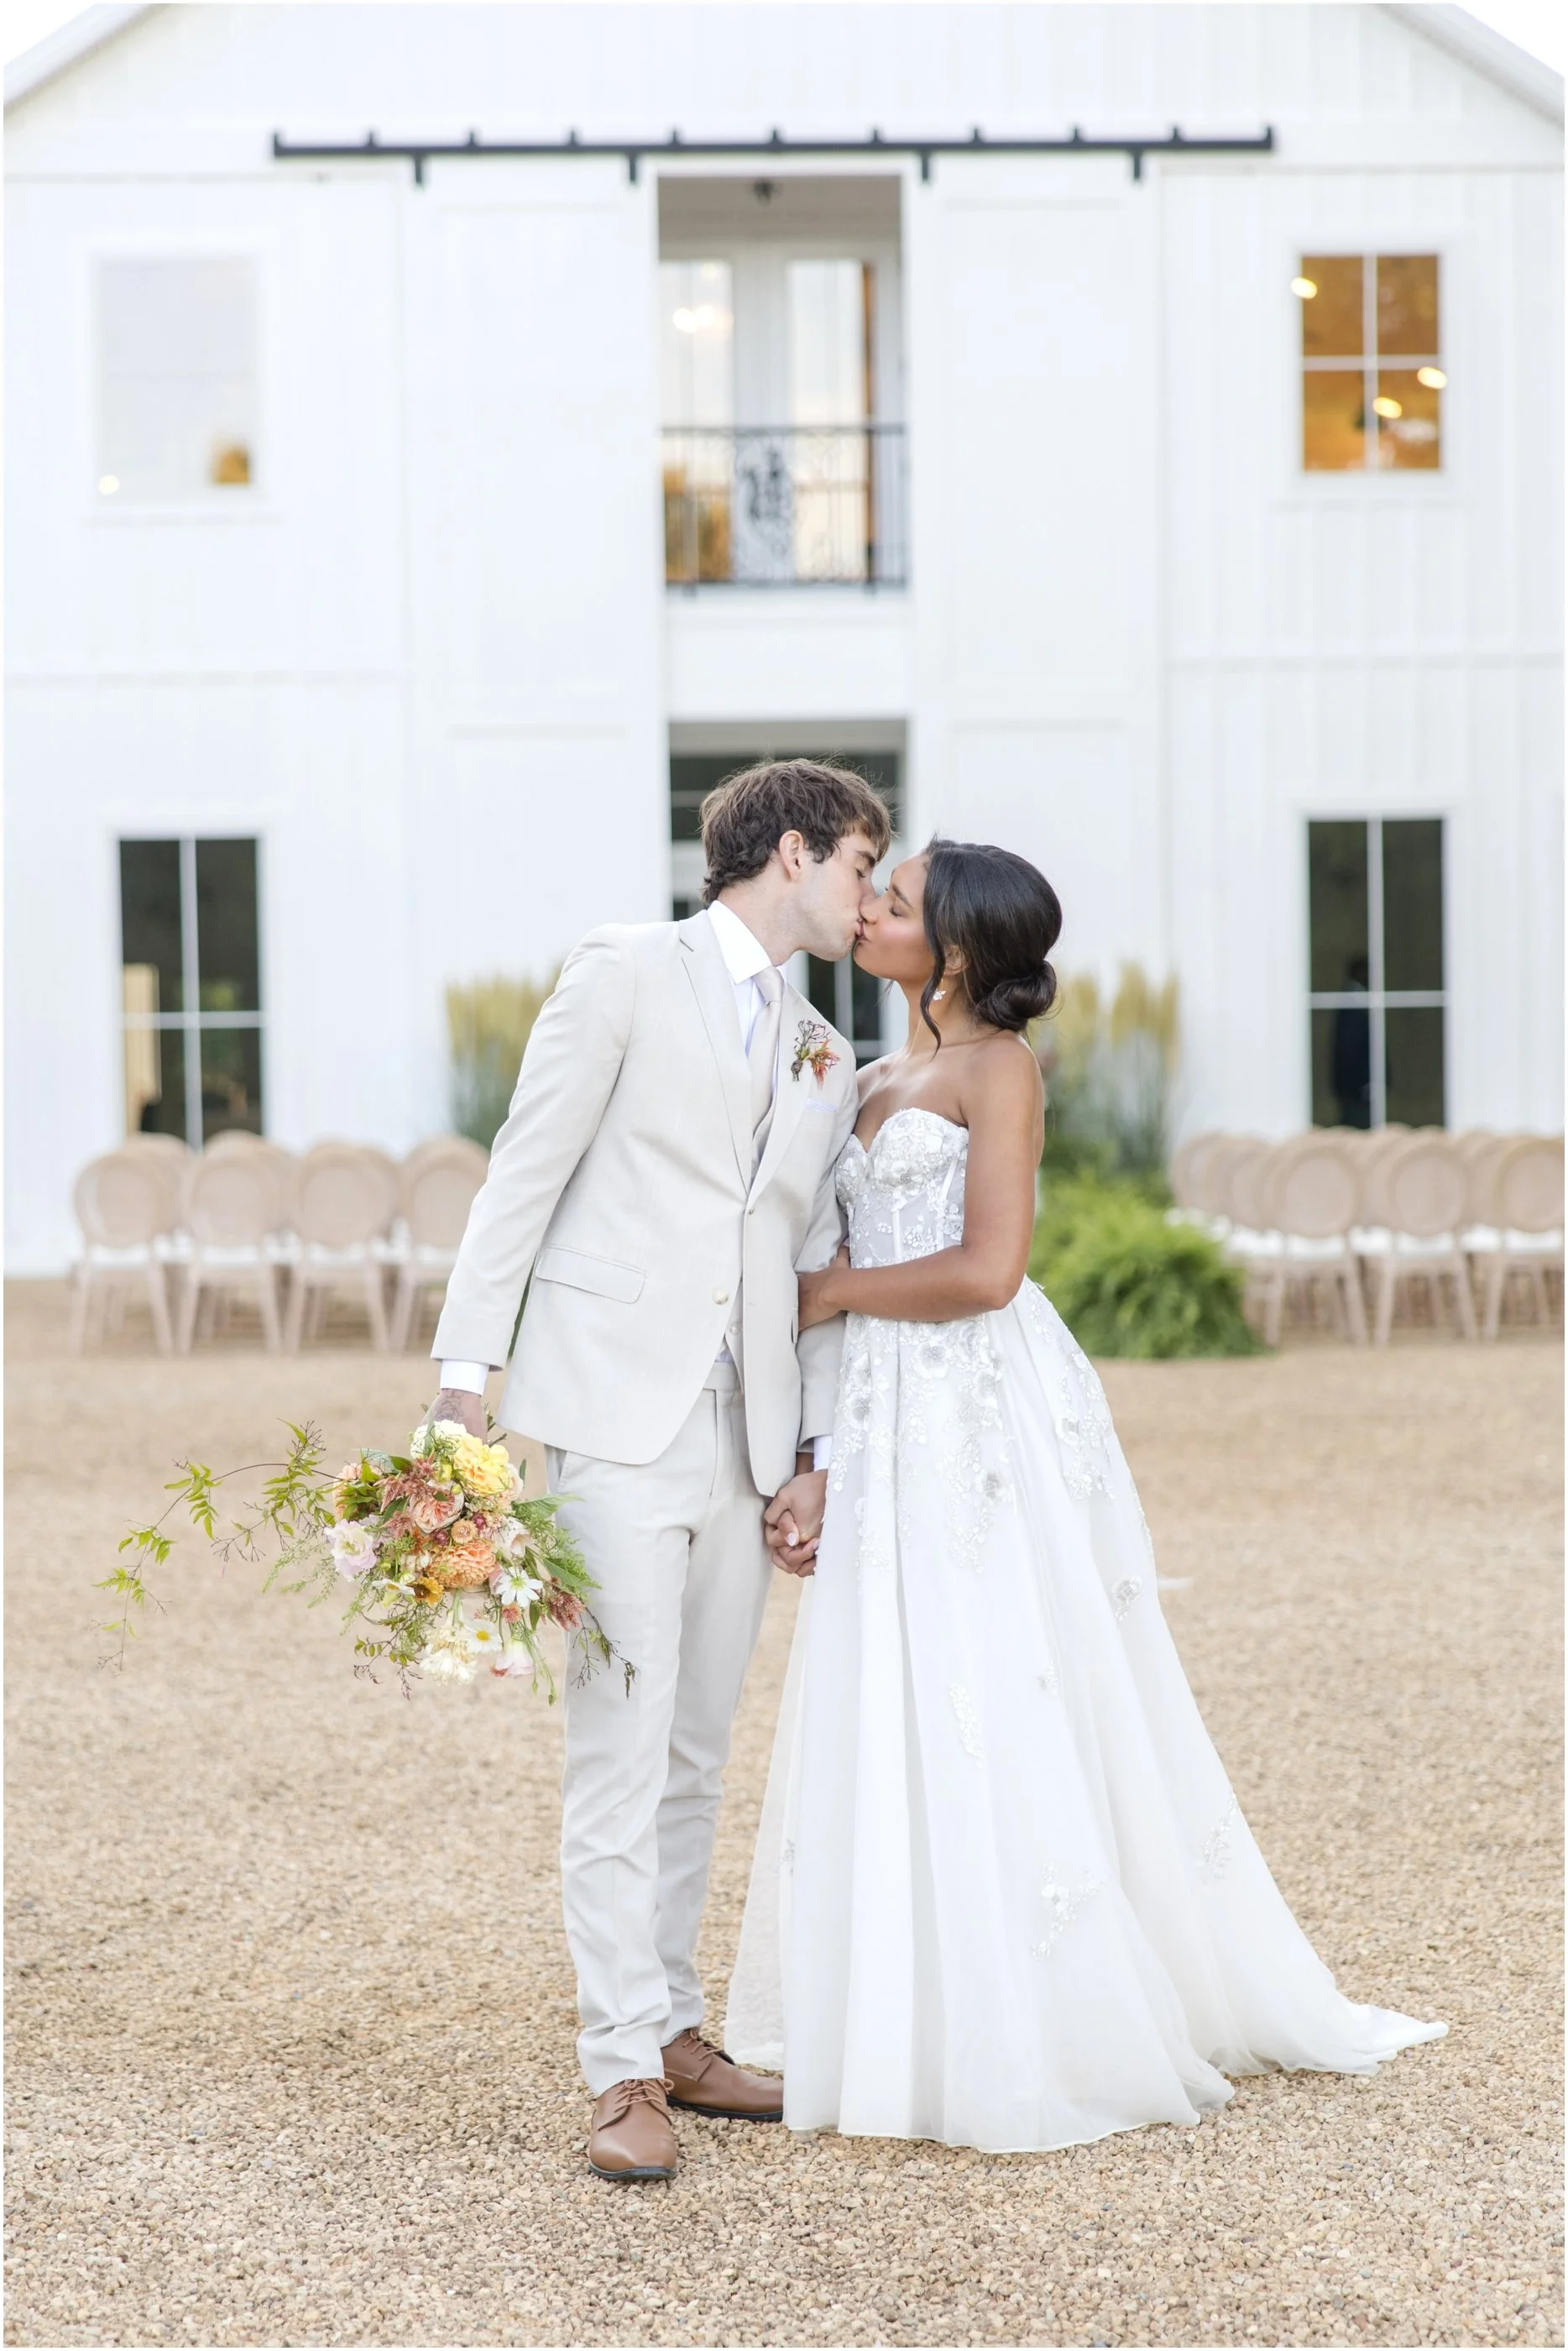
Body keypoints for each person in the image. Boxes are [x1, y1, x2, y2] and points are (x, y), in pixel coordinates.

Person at [726, 838, 1445, 2154]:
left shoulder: (998, 1071)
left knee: (996, 1678)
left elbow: (991, 1267)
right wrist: (816, 1458)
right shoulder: (868, 1072)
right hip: (883, 1412)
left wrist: (825, 1291)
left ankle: (1034, 2019)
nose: (871, 906)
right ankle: (909, 2009)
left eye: (897, 897)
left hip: (975, 1409)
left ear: (951, 950)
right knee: (895, 1685)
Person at [430, 759, 890, 2181]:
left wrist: (806, 1450)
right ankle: (620, 2065)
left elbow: (811, 1256)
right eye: (862, 868)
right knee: (615, 1758)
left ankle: (682, 2031)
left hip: (745, 1441)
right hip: (611, 1415)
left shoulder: (823, 1047)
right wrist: (463, 1390)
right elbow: (525, 1169)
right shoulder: (625, 970)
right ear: (796, 852)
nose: (870, 899)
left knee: (696, 1752)